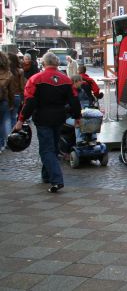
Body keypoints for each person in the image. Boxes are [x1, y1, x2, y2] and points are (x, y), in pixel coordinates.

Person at [15, 52, 81, 193]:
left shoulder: (35, 79)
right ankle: (46, 176)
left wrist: (21, 119)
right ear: (57, 63)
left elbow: (29, 102)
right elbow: (74, 100)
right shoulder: (66, 80)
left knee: (46, 149)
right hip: (59, 117)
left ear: (44, 64)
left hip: (42, 117)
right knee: (53, 146)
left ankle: (56, 180)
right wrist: (77, 117)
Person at [0, 53, 14, 151]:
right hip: (3, 100)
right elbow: (11, 91)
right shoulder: (8, 74)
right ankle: (4, 143)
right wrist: (11, 104)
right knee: (4, 122)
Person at [8, 53, 25, 129]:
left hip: (6, 96)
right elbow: (22, 86)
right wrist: (23, 98)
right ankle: (12, 135)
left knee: (5, 118)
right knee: (14, 116)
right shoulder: (20, 71)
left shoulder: (5, 72)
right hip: (17, 96)